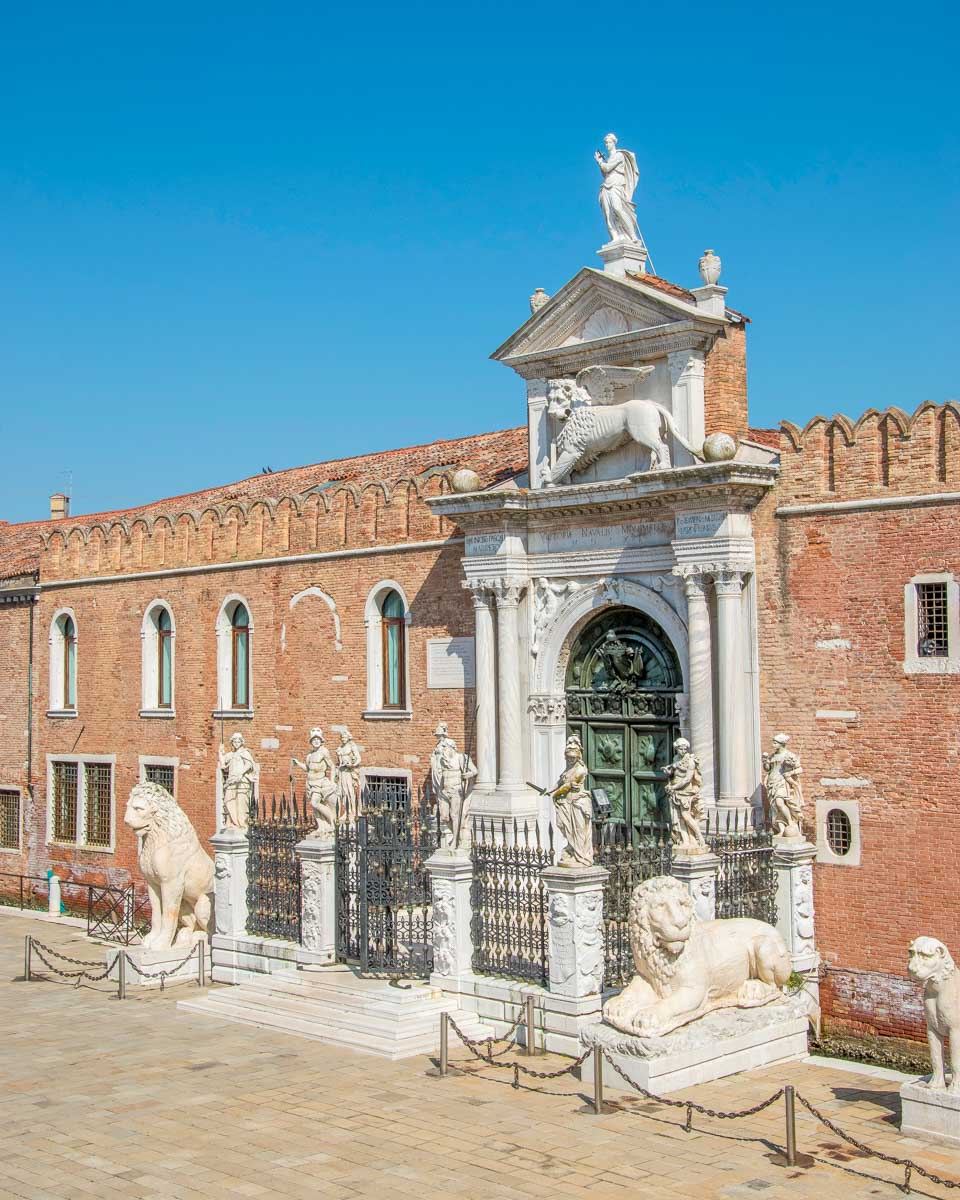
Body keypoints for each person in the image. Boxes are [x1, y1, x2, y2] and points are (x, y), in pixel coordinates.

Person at [430, 721, 478, 850]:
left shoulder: (462, 758)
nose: (444, 750)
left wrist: (467, 775)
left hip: (456, 790)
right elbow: (439, 775)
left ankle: (455, 840)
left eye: (446, 747)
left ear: (452, 747)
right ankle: (454, 835)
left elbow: (474, 771)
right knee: (445, 816)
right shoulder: (443, 761)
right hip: (445, 791)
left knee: (455, 815)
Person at [550, 736, 594, 867]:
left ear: (578, 756)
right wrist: (550, 790)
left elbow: (567, 786)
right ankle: (571, 850)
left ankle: (581, 857)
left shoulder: (580, 769)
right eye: (568, 757)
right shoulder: (569, 768)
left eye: (573, 758)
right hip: (567, 803)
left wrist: (554, 795)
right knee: (564, 826)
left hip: (578, 804)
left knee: (579, 831)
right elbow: (560, 782)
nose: (570, 760)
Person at [595, 133, 641, 243]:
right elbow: (605, 173)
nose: (607, 144)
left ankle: (632, 235)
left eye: (609, 142)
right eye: (606, 142)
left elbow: (607, 168)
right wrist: (602, 164)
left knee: (617, 208)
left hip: (616, 184)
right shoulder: (610, 158)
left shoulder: (619, 155)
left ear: (614, 142)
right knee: (608, 213)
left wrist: (600, 162)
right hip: (606, 185)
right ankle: (614, 237)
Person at [293, 727, 338, 836]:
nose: (316, 741)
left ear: (321, 740)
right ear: (311, 741)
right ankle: (322, 827)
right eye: (314, 740)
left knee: (315, 803)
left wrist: (332, 782)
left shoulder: (324, 751)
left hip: (320, 782)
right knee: (315, 808)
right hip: (310, 783)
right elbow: (308, 769)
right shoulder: (309, 755)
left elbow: (332, 766)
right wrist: (298, 763)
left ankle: (333, 822)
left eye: (318, 739)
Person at [664, 737, 707, 853]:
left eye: (685, 749)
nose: (683, 751)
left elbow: (687, 779)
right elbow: (674, 772)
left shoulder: (691, 761)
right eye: (680, 749)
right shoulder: (676, 758)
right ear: (676, 749)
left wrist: (673, 787)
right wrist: (669, 772)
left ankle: (699, 837)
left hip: (685, 792)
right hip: (675, 792)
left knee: (686, 815)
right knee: (679, 818)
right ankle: (686, 841)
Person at [763, 733, 804, 838]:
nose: (773, 744)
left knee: (779, 802)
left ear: (782, 744)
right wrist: (765, 762)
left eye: (775, 743)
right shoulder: (773, 756)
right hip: (772, 782)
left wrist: (790, 773)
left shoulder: (788, 755)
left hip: (782, 782)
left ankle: (790, 822)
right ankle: (781, 830)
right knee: (775, 808)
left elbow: (800, 769)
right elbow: (768, 769)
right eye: (773, 742)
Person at [219, 732, 257, 830]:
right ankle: (232, 822)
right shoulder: (230, 755)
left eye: (238, 741)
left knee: (241, 802)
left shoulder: (245, 753)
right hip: (231, 780)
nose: (236, 743)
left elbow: (249, 764)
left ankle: (242, 824)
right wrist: (220, 753)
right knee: (228, 800)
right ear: (232, 742)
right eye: (234, 741)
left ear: (241, 742)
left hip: (242, 781)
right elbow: (223, 765)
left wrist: (241, 773)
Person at [336, 729, 362, 823]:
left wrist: (352, 765)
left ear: (348, 737)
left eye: (345, 737)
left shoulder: (352, 746)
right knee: (343, 792)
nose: (343, 739)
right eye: (342, 737)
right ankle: (347, 811)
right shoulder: (340, 748)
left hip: (349, 771)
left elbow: (359, 758)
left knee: (350, 791)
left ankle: (354, 812)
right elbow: (339, 761)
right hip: (342, 771)